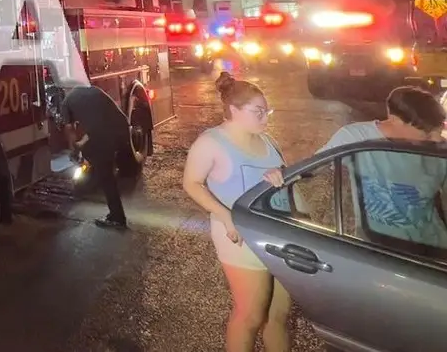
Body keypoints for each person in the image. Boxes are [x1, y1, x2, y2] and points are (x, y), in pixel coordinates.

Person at [182, 73, 291, 352]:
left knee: (277, 316)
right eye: (258, 112)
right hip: (240, 237)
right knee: (250, 316)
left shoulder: (268, 141)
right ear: (233, 110)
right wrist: (226, 216)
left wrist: (280, 176)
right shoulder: (212, 142)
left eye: (267, 111)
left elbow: (284, 180)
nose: (266, 118)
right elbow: (191, 183)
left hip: (279, 234)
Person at [265, 86, 447, 250]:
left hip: (434, 248)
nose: (437, 139)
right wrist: (281, 174)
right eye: (427, 132)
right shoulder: (356, 137)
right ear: (395, 120)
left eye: (439, 131)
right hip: (378, 248)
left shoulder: (438, 149)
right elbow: (313, 167)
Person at [60, 83, 132, 229]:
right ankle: (114, 214)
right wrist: (82, 145)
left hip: (106, 135)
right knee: (99, 162)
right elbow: (96, 126)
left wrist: (74, 150)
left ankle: (118, 219)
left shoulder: (66, 103)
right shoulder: (91, 90)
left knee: (106, 176)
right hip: (123, 128)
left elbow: (69, 131)